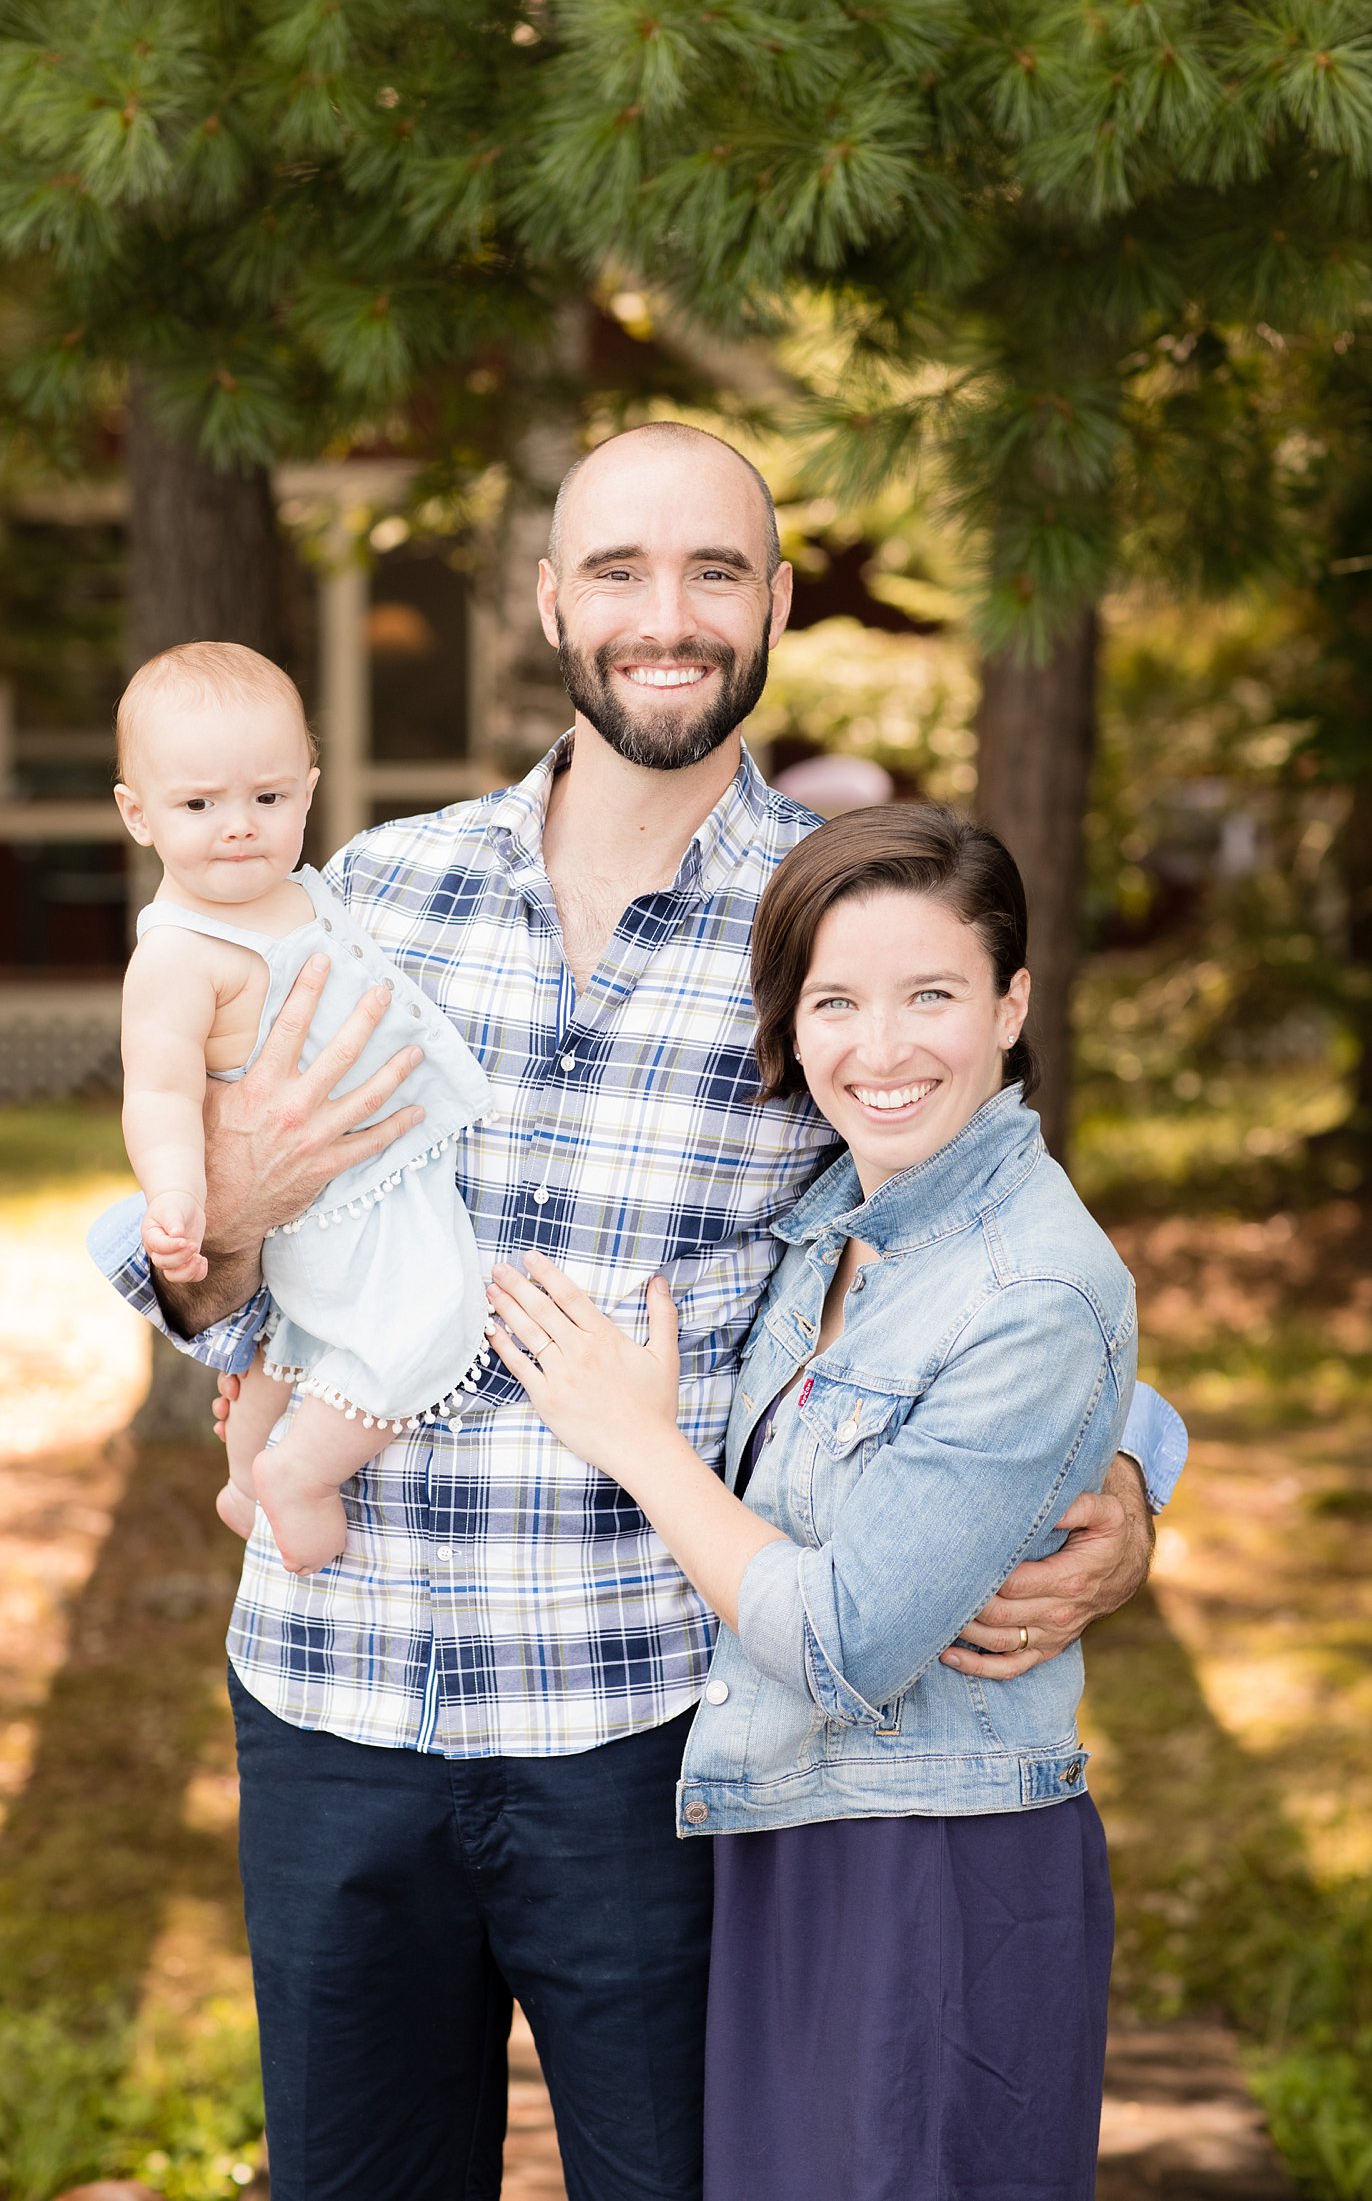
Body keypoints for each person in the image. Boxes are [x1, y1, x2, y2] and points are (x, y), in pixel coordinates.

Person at [88, 423, 1184, 2201]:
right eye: (617, 571)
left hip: (651, 1737)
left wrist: (1133, 1478)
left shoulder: (838, 932)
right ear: (550, 602)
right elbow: (202, 1267)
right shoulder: (364, 893)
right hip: (333, 1699)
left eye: (714, 572)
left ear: (770, 606)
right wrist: (233, 1223)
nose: (664, 617)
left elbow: (977, 1257)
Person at [487, 803, 1132, 2198]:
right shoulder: (840, 1222)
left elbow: (845, 1638)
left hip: (937, 1870)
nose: (880, 1048)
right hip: (791, 1843)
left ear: (1014, 1004)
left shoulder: (1035, 1285)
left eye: (934, 995)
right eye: (836, 999)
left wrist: (636, 1441)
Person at [113, 640, 492, 1570]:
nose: (238, 825)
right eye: (199, 804)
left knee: (298, 1343)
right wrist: (176, 1197)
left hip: (368, 1177)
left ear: (308, 793)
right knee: (429, 1318)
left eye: (268, 799)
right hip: (334, 1196)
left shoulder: (305, 894)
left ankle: (247, 1479)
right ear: (138, 814)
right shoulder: (178, 953)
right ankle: (302, 1479)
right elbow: (158, 1089)